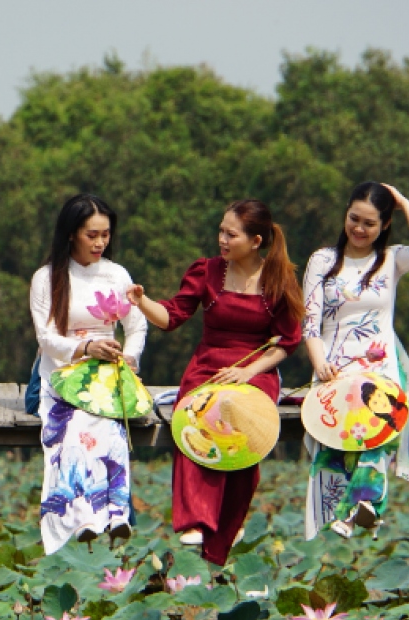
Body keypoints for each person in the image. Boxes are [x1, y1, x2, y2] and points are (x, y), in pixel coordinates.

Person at [128, 199, 302, 566]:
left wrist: (249, 372)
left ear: (256, 241)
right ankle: (195, 519)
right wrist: (143, 303)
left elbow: (287, 342)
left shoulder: (279, 278)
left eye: (231, 234)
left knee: (240, 421)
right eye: (221, 231)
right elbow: (172, 316)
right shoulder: (206, 271)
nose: (222, 239)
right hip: (208, 364)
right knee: (192, 416)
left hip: (255, 372)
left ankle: (226, 524)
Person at [301, 183, 409, 541]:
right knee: (336, 439)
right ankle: (339, 513)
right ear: (345, 213)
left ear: (384, 226)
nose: (359, 229)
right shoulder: (323, 261)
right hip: (333, 368)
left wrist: (403, 201)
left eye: (370, 224)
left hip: (378, 371)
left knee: (380, 423)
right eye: (354, 219)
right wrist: (319, 365)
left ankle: (364, 505)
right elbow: (310, 322)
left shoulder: (391, 260)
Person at [29, 193, 147, 554]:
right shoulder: (47, 277)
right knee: (77, 423)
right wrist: (84, 348)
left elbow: (137, 326)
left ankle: (114, 513)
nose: (99, 243)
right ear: (70, 234)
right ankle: (79, 516)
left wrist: (129, 357)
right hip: (59, 371)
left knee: (112, 426)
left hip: (107, 374)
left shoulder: (117, 274)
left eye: (105, 235)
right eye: (91, 235)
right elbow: (46, 337)